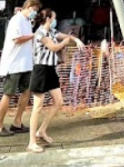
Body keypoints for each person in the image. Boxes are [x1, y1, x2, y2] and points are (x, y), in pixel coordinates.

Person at [27, 8, 84, 153]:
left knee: (59, 101)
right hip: (40, 70)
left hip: (51, 70)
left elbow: (65, 36)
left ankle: (42, 130)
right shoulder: (40, 33)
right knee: (37, 107)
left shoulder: (52, 32)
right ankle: (32, 142)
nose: (55, 20)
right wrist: (65, 42)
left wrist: (75, 39)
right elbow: (53, 47)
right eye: (54, 18)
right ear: (48, 19)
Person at [0, 0, 40, 137]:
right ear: (29, 6)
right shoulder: (16, 20)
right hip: (13, 64)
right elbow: (17, 39)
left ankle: (17, 122)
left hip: (26, 63)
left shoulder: (27, 22)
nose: (35, 13)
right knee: (8, 93)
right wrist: (34, 35)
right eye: (35, 10)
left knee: (26, 92)